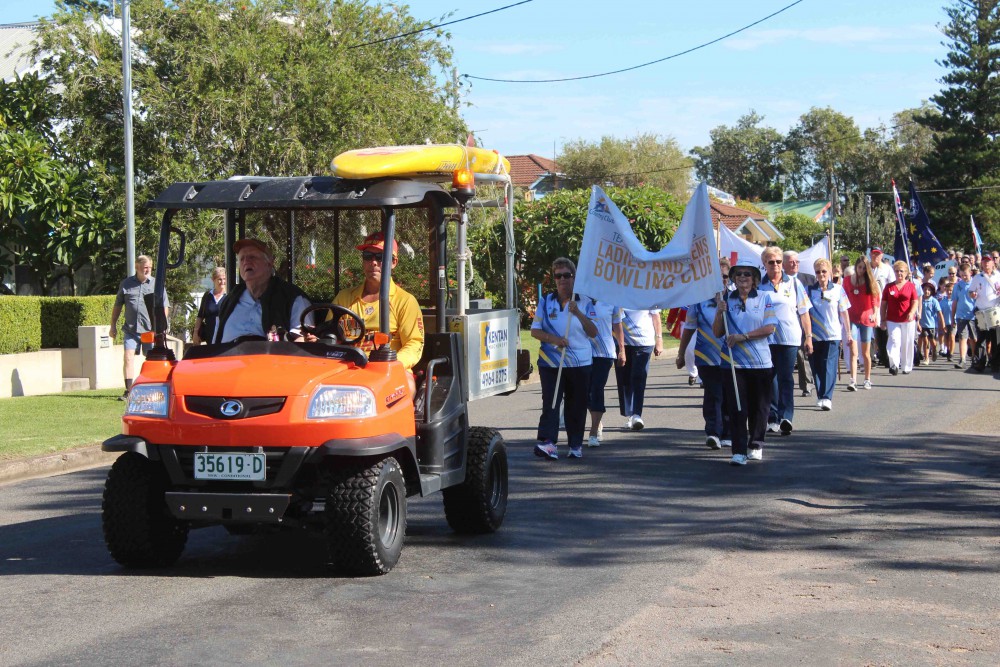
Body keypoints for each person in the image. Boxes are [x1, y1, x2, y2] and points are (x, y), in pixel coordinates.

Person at [712, 258, 777, 466]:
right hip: (733, 363)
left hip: (760, 363)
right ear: (733, 277)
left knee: (760, 407)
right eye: (738, 274)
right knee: (737, 408)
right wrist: (719, 311)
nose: (742, 277)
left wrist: (744, 336)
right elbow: (717, 332)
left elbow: (770, 328)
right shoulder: (726, 298)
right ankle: (738, 451)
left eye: (747, 274)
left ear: (754, 278)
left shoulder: (765, 297)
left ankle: (756, 444)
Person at [532, 258, 598, 460]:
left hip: (579, 362)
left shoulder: (585, 301)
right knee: (551, 402)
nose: (562, 279)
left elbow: (593, 332)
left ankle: (575, 444)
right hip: (551, 362)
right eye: (558, 276)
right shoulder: (546, 301)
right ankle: (548, 442)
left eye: (566, 275)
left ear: (574, 277)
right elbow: (535, 331)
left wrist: (577, 312)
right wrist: (554, 340)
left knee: (576, 404)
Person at [333, 232, 425, 373]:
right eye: (368, 256)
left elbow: (414, 344)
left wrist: (391, 364)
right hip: (347, 370)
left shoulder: (405, 301)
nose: (373, 262)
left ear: (393, 262)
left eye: (380, 257)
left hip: (390, 373)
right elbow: (330, 336)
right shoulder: (344, 297)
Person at [677, 257, 732, 450]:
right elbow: (689, 328)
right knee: (713, 394)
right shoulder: (699, 301)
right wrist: (681, 353)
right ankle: (713, 432)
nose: (721, 280)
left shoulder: (735, 298)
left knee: (728, 395)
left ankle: (728, 432)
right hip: (706, 356)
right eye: (717, 276)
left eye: (725, 276)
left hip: (731, 358)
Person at [215, 238, 313, 343]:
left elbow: (302, 341)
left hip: (270, 353)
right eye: (242, 259)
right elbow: (214, 342)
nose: (246, 262)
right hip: (228, 352)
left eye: (252, 257)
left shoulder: (292, 297)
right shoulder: (229, 301)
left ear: (269, 263)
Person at [759, 246, 812, 435]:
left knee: (786, 377)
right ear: (764, 264)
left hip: (789, 337)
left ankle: (786, 417)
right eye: (771, 262)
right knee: (769, 378)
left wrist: (809, 337)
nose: (775, 265)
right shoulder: (759, 285)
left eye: (778, 261)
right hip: (766, 339)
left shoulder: (794, 283)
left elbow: (804, 312)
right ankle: (772, 417)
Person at [109, 255, 170, 400]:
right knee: (128, 357)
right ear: (137, 267)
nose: (147, 270)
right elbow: (117, 306)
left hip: (150, 331)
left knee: (151, 360)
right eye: (145, 267)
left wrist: (160, 326)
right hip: (131, 330)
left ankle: (152, 389)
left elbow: (165, 306)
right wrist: (113, 326)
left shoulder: (157, 284)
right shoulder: (126, 284)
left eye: (150, 267)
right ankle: (129, 391)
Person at [807, 258, 851, 410]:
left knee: (829, 365)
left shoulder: (838, 289)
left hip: (833, 334)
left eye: (824, 271)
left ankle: (827, 397)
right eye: (818, 272)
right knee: (816, 366)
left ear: (830, 272)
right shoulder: (809, 290)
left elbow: (844, 312)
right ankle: (820, 395)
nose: (821, 274)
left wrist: (848, 333)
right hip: (814, 335)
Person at [614, 305, 663, 430]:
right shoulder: (617, 295)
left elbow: (656, 315)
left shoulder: (647, 294)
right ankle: (630, 414)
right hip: (622, 342)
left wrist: (659, 339)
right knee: (624, 380)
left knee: (638, 377)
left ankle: (636, 414)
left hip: (644, 342)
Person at [585, 298, 619, 448]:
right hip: (583, 351)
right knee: (585, 392)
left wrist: (622, 350)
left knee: (596, 389)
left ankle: (593, 432)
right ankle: (597, 422)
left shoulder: (611, 299)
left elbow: (617, 326)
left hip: (604, 353)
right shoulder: (580, 300)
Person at [843, 257, 880, 390]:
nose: (861, 270)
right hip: (852, 318)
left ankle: (867, 379)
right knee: (853, 351)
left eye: (864, 268)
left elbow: (875, 299)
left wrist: (875, 314)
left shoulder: (870, 281)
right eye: (859, 267)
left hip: (866, 318)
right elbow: (843, 297)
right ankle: (853, 380)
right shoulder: (847, 280)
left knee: (865, 353)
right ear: (856, 267)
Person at [783, 250, 815, 397]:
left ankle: (807, 384)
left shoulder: (809, 279)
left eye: (797, 261)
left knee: (803, 356)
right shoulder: (779, 281)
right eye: (791, 262)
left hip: (803, 322)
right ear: (784, 264)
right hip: (785, 327)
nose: (795, 264)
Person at [880, 260, 920, 375]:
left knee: (907, 342)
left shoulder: (911, 286)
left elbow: (915, 301)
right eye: (897, 271)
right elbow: (884, 304)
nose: (899, 273)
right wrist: (882, 319)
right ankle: (894, 365)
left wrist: (912, 312)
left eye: (901, 271)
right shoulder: (889, 287)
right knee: (894, 340)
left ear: (906, 272)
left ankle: (906, 366)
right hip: (892, 319)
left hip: (907, 320)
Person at [968, 252, 1000, 372]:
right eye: (984, 261)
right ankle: (981, 362)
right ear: (981, 263)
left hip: (994, 311)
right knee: (981, 338)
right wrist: (973, 294)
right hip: (981, 311)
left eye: (988, 261)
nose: (986, 263)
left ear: (993, 263)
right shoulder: (977, 277)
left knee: (995, 339)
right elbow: (970, 291)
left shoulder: (998, 276)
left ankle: (995, 363)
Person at [869, 248, 894, 368]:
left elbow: (892, 285)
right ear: (870, 254)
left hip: (883, 302)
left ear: (882, 255)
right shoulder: (867, 268)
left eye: (878, 254)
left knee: (884, 332)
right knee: (872, 332)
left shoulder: (887, 269)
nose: (876, 256)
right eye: (874, 254)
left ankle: (886, 357)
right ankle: (872, 357)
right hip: (869, 303)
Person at [192, 267, 226, 345]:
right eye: (219, 279)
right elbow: (200, 316)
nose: (222, 282)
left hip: (225, 337)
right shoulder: (207, 295)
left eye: (224, 279)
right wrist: (195, 333)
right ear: (213, 280)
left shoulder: (229, 295)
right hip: (210, 337)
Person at [951, 263, 976, 368]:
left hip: (973, 315)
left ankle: (975, 358)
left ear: (970, 273)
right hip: (961, 315)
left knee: (973, 338)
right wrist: (952, 317)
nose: (964, 277)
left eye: (965, 275)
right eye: (961, 275)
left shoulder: (975, 284)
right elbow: (954, 302)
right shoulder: (957, 286)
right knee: (963, 337)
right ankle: (962, 359)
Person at [917, 282, 944, 365]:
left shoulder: (934, 301)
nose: (926, 291)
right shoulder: (920, 300)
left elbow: (939, 313)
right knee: (925, 341)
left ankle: (934, 349)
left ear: (931, 291)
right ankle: (926, 358)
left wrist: (943, 324)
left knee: (932, 341)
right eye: (925, 289)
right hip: (922, 325)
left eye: (928, 290)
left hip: (932, 325)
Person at [937, 277, 954, 360]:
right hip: (946, 322)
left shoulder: (955, 301)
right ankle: (947, 350)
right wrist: (941, 322)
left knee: (952, 337)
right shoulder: (943, 301)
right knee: (946, 338)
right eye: (947, 290)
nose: (949, 292)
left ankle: (951, 353)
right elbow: (940, 312)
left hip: (953, 322)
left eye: (951, 290)